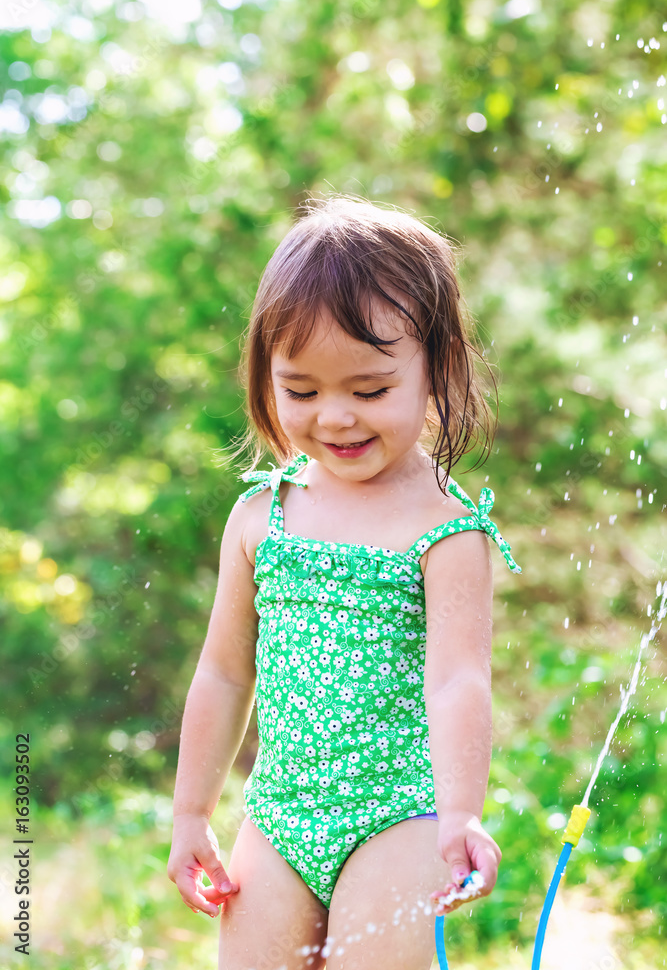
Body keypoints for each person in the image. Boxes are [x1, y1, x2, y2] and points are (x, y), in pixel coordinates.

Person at [168, 194, 522, 970]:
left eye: (368, 391)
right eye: (301, 391)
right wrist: (192, 810)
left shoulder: (446, 531)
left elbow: (458, 681)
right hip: (279, 815)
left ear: (435, 370)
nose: (335, 418)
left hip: (396, 814)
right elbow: (225, 674)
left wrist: (460, 814)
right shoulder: (263, 515)